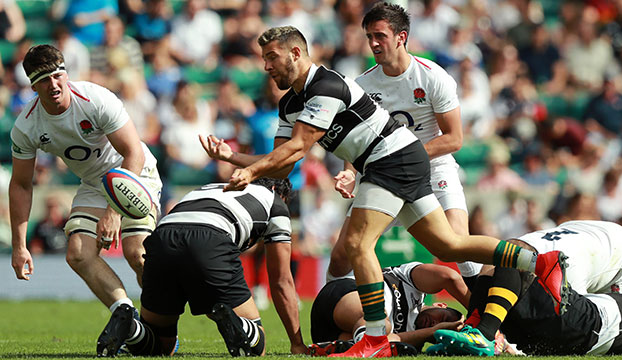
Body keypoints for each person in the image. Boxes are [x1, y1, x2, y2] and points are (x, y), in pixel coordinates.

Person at [199, 25, 567, 358]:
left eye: (272, 57)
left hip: (390, 159)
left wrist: (249, 170)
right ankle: (539, 263)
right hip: (393, 160)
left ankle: (375, 340)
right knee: (448, 246)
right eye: (264, 59)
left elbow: (297, 147)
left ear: (296, 53)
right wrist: (233, 156)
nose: (266, 66)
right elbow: (282, 162)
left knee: (358, 245)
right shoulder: (290, 103)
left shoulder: (325, 86)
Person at [326, 1, 481, 288]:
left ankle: (487, 320)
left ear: (401, 37)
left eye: (380, 36)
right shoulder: (361, 86)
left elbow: (454, 138)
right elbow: (355, 139)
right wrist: (349, 171)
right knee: (341, 256)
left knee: (460, 244)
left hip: (434, 170)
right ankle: (338, 320)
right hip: (384, 177)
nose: (373, 43)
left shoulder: (433, 76)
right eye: (369, 36)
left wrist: (402, 156)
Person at [10, 45, 162, 318]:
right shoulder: (26, 126)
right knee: (78, 253)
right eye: (43, 80)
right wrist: (20, 246)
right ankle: (127, 317)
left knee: (137, 252)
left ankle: (160, 324)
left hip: (134, 172)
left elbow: (133, 152)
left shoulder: (95, 99)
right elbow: (21, 184)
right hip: (94, 183)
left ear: (66, 74)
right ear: (32, 87)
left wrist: (113, 212)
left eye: (57, 75)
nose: (53, 84)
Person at [96, 178, 306, 357]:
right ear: (277, 191)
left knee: (161, 345)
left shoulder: (211, 187)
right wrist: (297, 343)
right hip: (210, 238)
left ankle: (130, 327)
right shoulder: (275, 202)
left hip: (162, 238)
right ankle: (238, 323)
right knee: (256, 346)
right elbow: (281, 280)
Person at [428, 220, 622, 356]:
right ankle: (479, 332)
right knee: (504, 256)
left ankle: (482, 331)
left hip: (606, 251)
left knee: (505, 255)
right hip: (584, 240)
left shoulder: (575, 263)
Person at [307, 261, 469, 356]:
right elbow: (450, 277)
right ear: (440, 305)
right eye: (442, 319)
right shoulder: (414, 286)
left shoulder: (414, 342)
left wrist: (432, 333)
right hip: (344, 296)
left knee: (383, 335)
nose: (433, 324)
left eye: (437, 331)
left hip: (329, 333)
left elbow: (388, 342)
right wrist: (483, 317)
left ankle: (343, 347)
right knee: (380, 324)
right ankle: (360, 344)